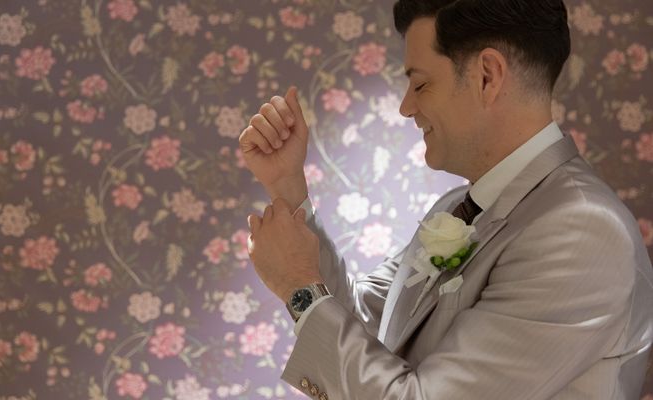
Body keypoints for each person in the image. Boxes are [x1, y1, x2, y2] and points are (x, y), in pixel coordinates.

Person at [238, 0, 653, 398]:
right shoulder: (458, 206)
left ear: (487, 76)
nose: (406, 107)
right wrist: (288, 187)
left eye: (420, 84)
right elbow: (363, 324)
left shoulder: (581, 231)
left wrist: (299, 288)